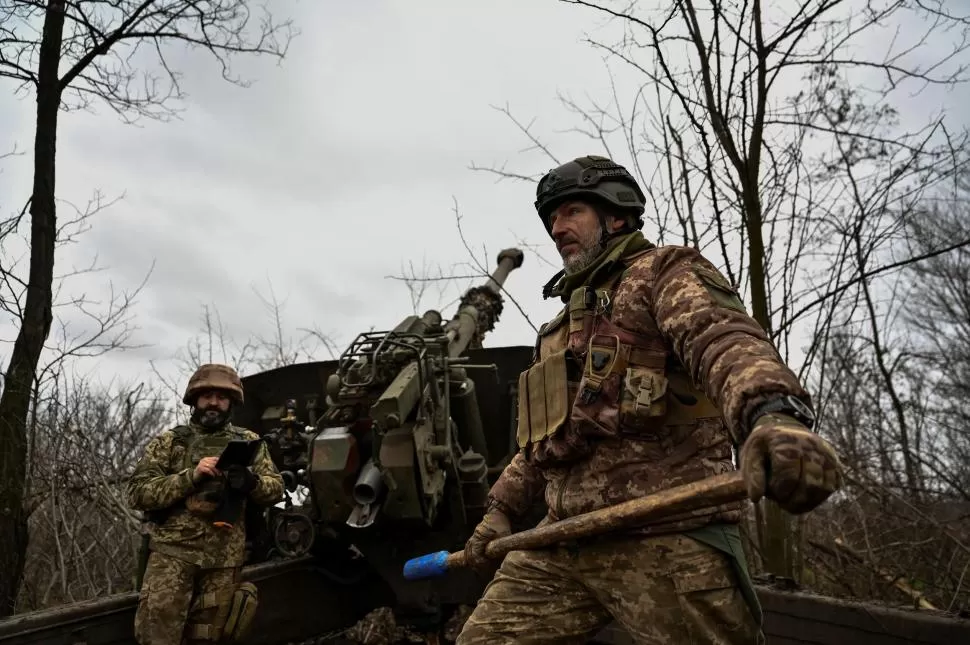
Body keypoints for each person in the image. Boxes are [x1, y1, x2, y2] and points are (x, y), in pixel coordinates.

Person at [455, 155, 843, 644]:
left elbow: (723, 339)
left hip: (667, 533)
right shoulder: (556, 330)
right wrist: (501, 510)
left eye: (571, 211)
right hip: (560, 542)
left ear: (615, 215)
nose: (557, 227)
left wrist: (773, 415)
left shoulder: (662, 273)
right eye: (552, 218)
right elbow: (544, 442)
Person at [128, 363, 285, 645]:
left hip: (224, 561)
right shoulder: (169, 442)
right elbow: (138, 493)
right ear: (194, 400)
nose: (213, 402)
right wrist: (191, 476)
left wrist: (251, 483)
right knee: (157, 636)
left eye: (221, 397)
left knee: (211, 639)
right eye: (207, 395)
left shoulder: (249, 443)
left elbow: (276, 490)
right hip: (172, 558)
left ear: (231, 402)